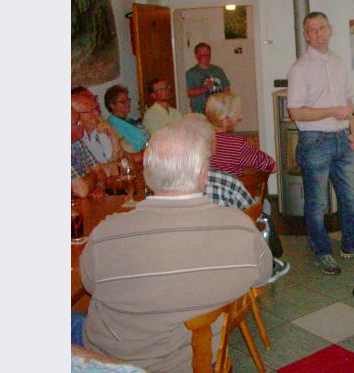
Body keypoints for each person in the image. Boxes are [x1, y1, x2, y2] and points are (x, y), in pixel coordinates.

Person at [81, 121, 272, 373]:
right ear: (203, 174)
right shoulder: (240, 228)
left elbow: (90, 285)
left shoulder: (106, 233)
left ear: (147, 175)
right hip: (197, 361)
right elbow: (262, 274)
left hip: (110, 363)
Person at [286, 12, 354, 275]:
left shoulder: (339, 62)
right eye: (312, 30)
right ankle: (322, 252)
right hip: (314, 141)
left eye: (322, 28)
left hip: (342, 139)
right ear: (305, 35)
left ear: (330, 30)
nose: (318, 34)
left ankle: (351, 246)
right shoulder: (299, 68)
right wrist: (331, 111)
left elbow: (348, 102)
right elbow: (295, 113)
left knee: (351, 199)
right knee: (317, 204)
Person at [179, 113, 290, 284]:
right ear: (211, 145)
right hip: (227, 266)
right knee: (262, 214)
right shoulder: (226, 181)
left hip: (184, 265)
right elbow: (254, 217)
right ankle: (269, 262)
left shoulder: (165, 187)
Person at [205, 93, 276, 176]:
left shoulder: (199, 140)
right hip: (230, 188)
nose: (240, 117)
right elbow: (272, 166)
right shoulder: (236, 144)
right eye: (236, 114)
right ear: (225, 119)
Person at [72, 90, 122, 176]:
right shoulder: (75, 141)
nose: (96, 113)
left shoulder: (98, 129)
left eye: (95, 108)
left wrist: (112, 134)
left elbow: (117, 159)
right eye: (90, 111)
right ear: (75, 115)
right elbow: (92, 171)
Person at [186, 42, 231, 114]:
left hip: (218, 111)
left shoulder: (218, 70)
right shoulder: (191, 73)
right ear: (196, 56)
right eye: (203, 55)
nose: (206, 57)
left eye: (208, 55)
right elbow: (189, 92)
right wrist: (205, 88)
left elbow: (227, 89)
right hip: (200, 111)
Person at [103, 85, 149, 154]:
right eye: (123, 101)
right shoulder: (113, 125)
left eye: (128, 100)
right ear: (112, 105)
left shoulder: (128, 119)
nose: (128, 103)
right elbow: (128, 149)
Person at [71, 107, 104, 199]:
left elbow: (100, 171)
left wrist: (99, 187)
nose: (81, 124)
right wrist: (93, 174)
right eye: (77, 122)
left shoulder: (77, 141)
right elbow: (82, 191)